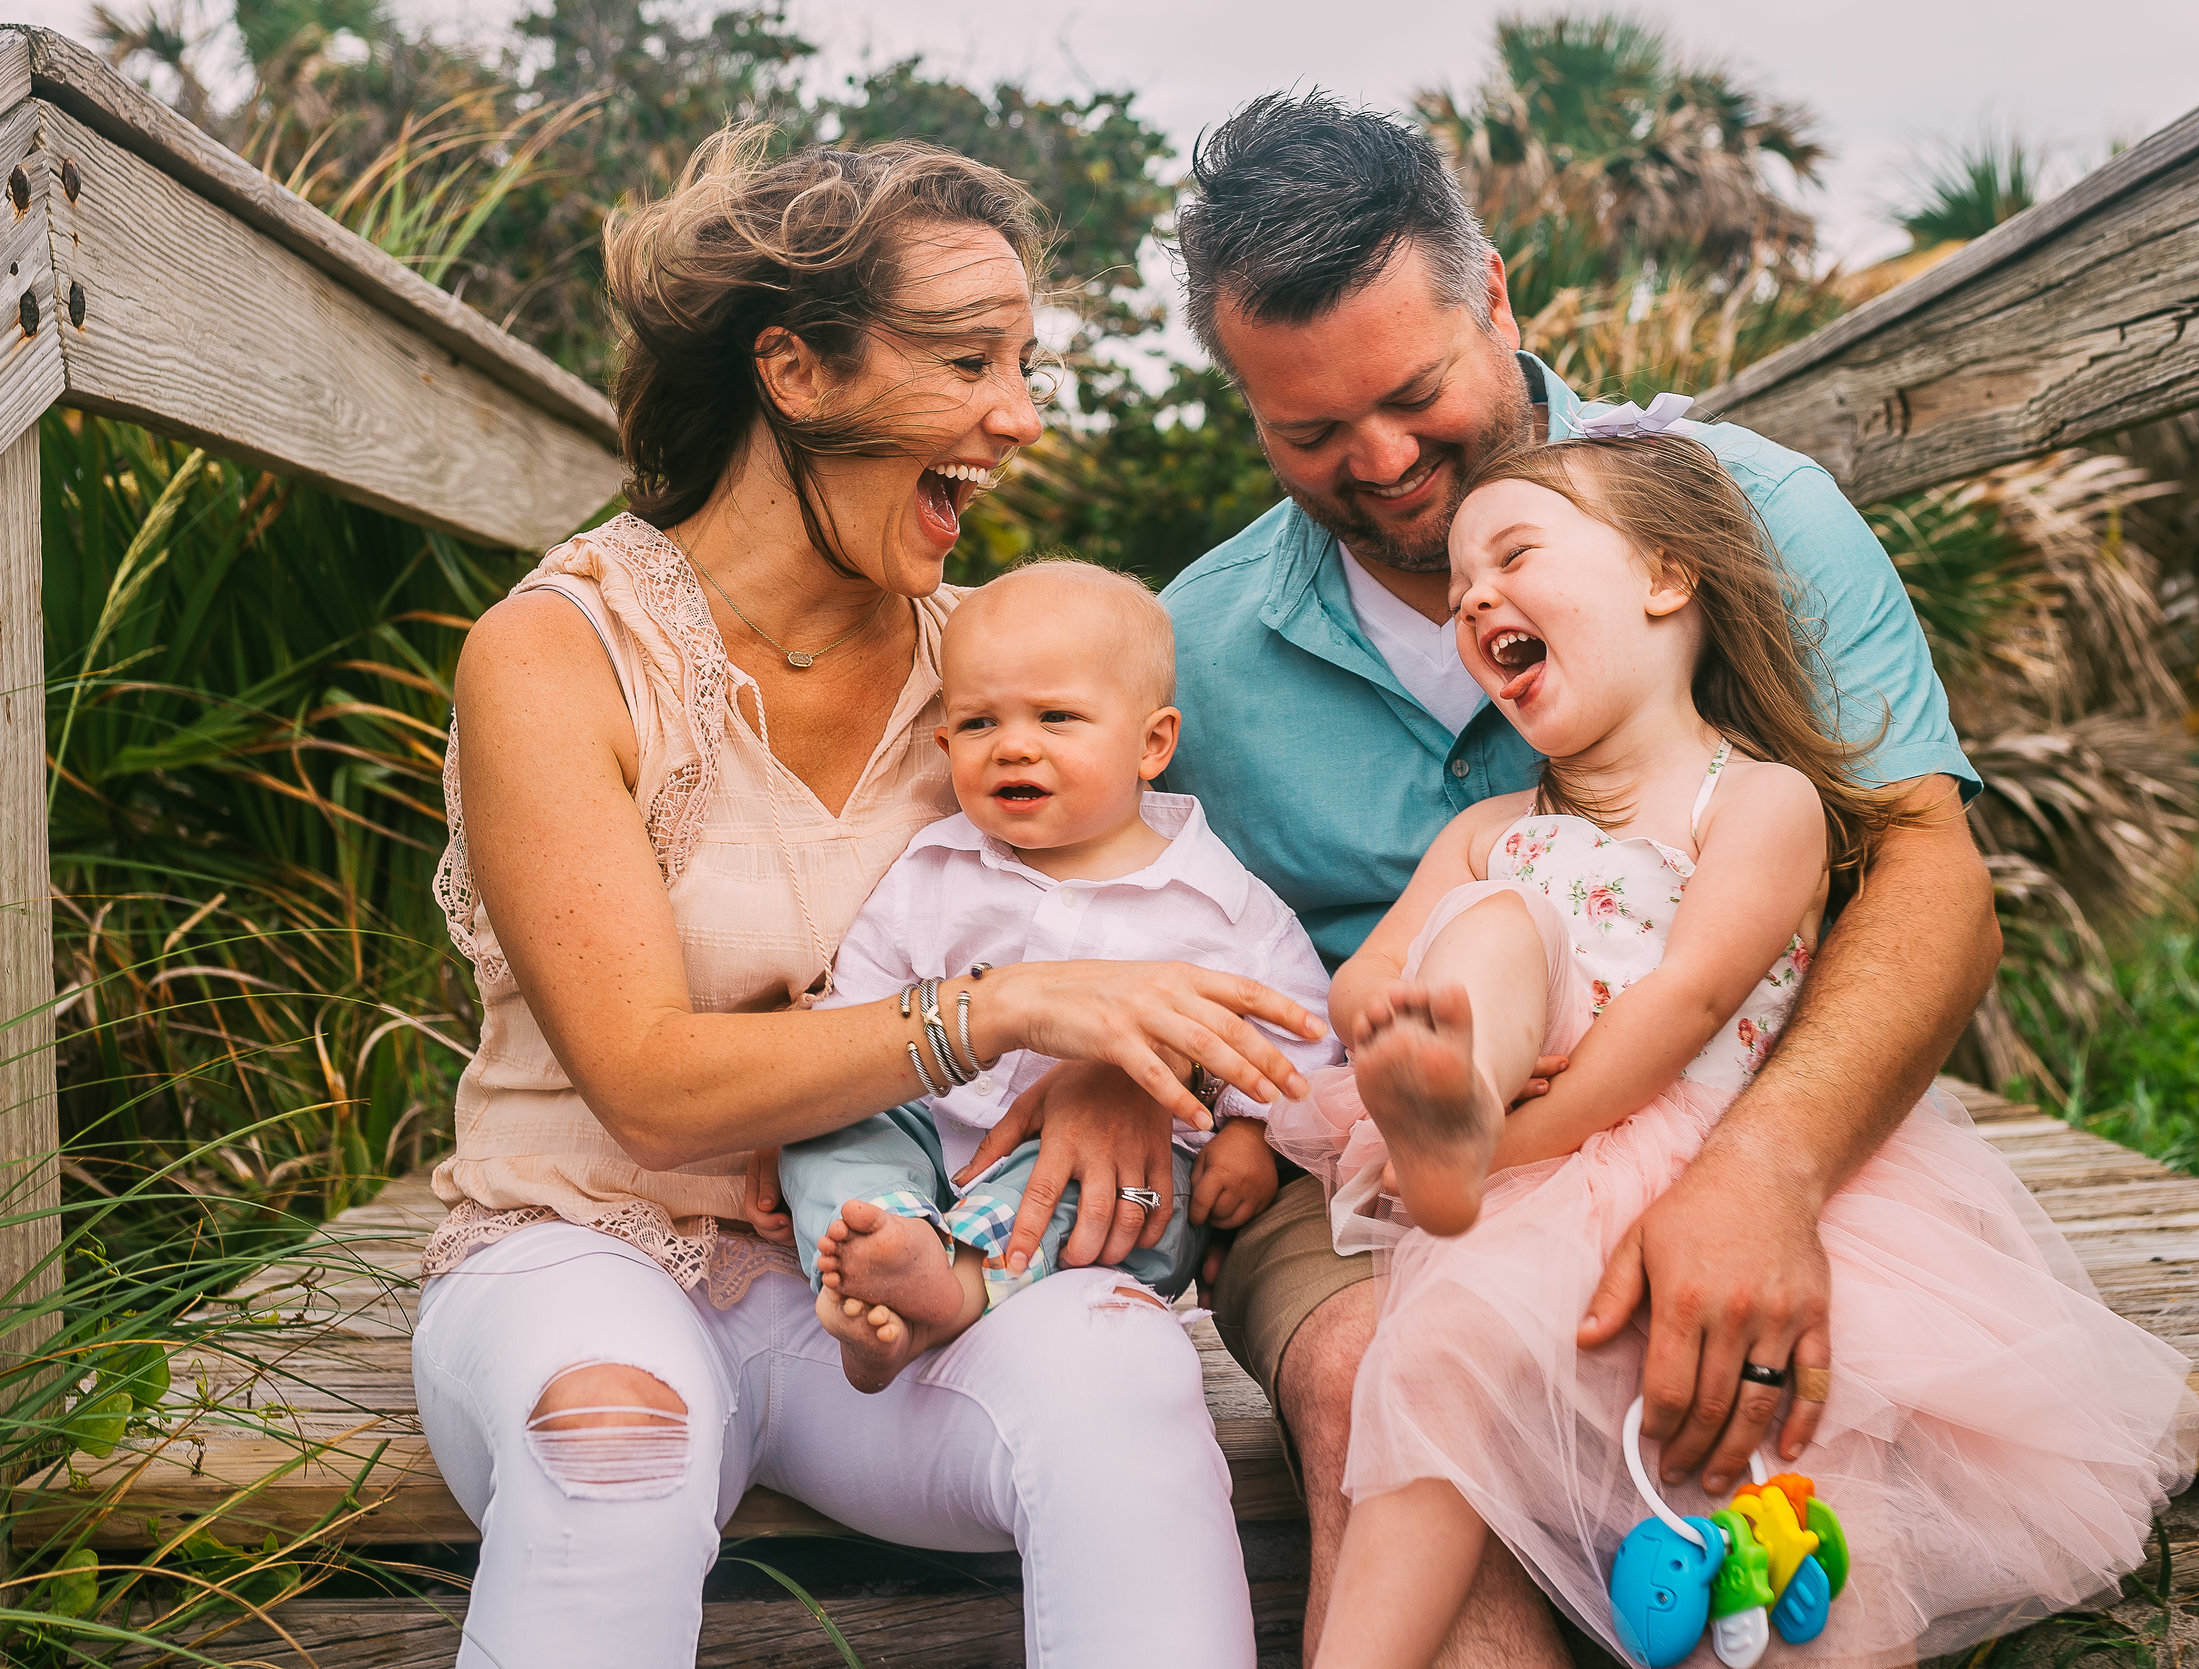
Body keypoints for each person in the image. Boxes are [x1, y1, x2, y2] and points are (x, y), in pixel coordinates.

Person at [413, 130, 1318, 1669]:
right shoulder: (563, 652)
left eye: (1024, 362)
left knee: (1121, 1375)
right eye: (969, 360)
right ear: (796, 370)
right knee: (617, 1445)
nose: (1018, 419)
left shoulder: (997, 684)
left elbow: (1157, 918)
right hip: (583, 1250)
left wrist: (1109, 1061)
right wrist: (1015, 1012)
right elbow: (645, 1083)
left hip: (907, 1286)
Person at [1140, 91, 2010, 1664]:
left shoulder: (1748, 515)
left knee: (1780, 1400)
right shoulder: (1192, 648)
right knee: (1373, 1378)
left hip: (1730, 1089)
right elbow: (1106, 896)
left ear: (1498, 299)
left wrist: (1769, 1171)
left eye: (1412, 393)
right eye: (1311, 432)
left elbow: (1931, 872)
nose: (1386, 461)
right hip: (1372, 1166)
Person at [1264, 431, 2199, 1667]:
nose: (1473, 595)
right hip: (1500, 1186)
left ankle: (1465, 1133)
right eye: (1459, 582)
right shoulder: (1496, 832)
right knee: (1432, 1366)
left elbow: (1689, 1002)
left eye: (1514, 555)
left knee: (1785, 1489)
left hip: (1684, 1157)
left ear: (1665, 578)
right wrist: (1409, 1056)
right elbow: (1372, 979)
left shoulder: (1757, 801)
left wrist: (1512, 1143)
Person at [761, 559, 1336, 1392]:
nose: (1016, 744)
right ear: (946, 744)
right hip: (928, 1140)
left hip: (1116, 1170)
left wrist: (1247, 1134)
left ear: (1152, 743)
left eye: (1057, 717)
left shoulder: (1223, 907)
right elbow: (856, 1022)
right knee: (828, 1131)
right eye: (982, 722)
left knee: (1122, 1196)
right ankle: (881, 1253)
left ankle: (950, 1289)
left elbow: (1295, 1043)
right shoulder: (930, 869)